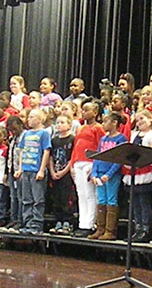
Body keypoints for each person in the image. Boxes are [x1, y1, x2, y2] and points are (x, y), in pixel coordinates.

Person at [123, 110, 152, 243]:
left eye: (142, 119)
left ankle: (146, 228)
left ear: (150, 119)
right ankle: (137, 226)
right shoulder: (134, 135)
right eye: (137, 120)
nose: (139, 122)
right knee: (135, 202)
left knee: (144, 202)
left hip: (145, 170)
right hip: (133, 172)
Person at [88, 113, 127, 240]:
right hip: (99, 173)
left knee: (111, 199)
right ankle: (100, 228)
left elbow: (119, 159)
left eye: (106, 122)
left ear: (114, 123)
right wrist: (94, 173)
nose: (103, 124)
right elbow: (97, 157)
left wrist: (109, 174)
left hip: (111, 175)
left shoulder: (121, 139)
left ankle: (110, 231)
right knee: (101, 200)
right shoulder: (103, 139)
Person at [69, 102, 104, 237]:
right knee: (81, 194)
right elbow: (75, 147)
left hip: (90, 163)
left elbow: (100, 148)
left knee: (90, 194)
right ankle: (82, 223)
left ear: (95, 113)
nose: (83, 112)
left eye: (86, 110)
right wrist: (72, 164)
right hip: (78, 162)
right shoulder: (80, 128)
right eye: (82, 110)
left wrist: (96, 165)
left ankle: (90, 224)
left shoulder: (98, 128)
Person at [16, 109, 52, 235]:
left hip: (36, 170)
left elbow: (46, 151)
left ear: (39, 119)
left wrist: (41, 170)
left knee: (38, 199)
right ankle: (27, 222)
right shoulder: (25, 134)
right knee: (26, 198)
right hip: (26, 169)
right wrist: (20, 168)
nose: (28, 119)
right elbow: (21, 150)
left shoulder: (44, 134)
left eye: (32, 117)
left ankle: (36, 224)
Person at [48, 115, 76, 235]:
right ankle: (58, 221)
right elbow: (50, 157)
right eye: (57, 122)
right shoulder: (54, 140)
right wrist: (52, 171)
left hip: (66, 174)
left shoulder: (72, 139)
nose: (59, 125)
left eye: (62, 122)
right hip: (55, 172)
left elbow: (72, 158)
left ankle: (67, 222)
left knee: (66, 198)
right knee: (56, 197)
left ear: (69, 125)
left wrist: (64, 171)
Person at [5, 115, 25, 232]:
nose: (13, 131)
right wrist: (7, 172)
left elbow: (23, 155)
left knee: (21, 197)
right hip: (11, 170)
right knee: (13, 197)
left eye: (14, 128)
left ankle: (20, 220)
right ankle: (13, 219)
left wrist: (20, 169)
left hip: (20, 171)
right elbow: (10, 156)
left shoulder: (25, 137)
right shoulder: (12, 139)